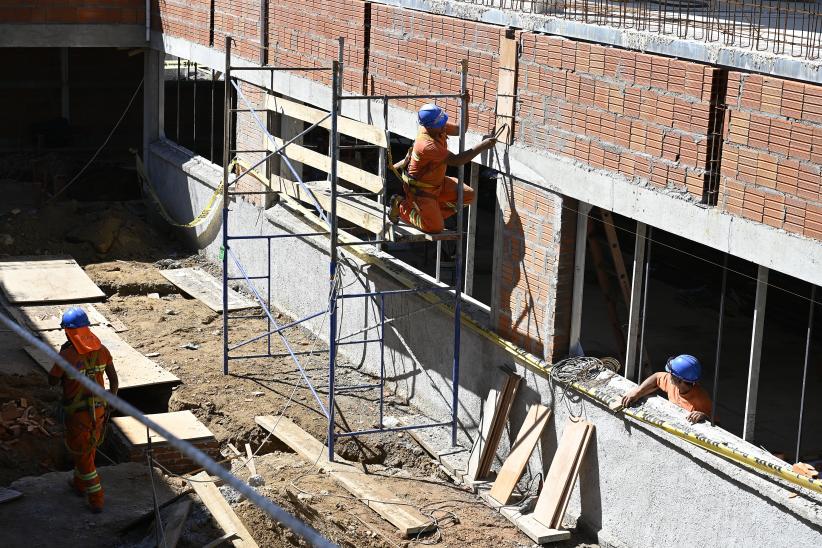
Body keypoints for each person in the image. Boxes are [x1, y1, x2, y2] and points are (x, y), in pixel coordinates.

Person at [48, 307, 118, 513]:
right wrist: (112, 399)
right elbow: (113, 378)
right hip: (99, 411)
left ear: (68, 331)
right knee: (88, 451)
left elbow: (51, 380)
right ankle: (79, 484)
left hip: (78, 414)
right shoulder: (102, 350)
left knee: (83, 453)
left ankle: (96, 498)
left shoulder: (67, 355)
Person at [389, 103, 497, 234]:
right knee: (435, 228)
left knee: (467, 195)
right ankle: (401, 206)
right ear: (429, 126)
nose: (443, 125)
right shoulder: (426, 145)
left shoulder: (436, 127)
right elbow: (457, 161)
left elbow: (459, 129)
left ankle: (433, 215)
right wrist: (482, 146)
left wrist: (465, 104)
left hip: (438, 184)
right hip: (421, 191)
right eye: (440, 123)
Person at [621, 354, 712, 424]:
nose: (668, 374)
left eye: (671, 374)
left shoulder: (701, 400)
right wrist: (637, 392)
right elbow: (656, 377)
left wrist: (704, 417)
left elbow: (716, 427)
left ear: (680, 380)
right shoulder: (674, 384)